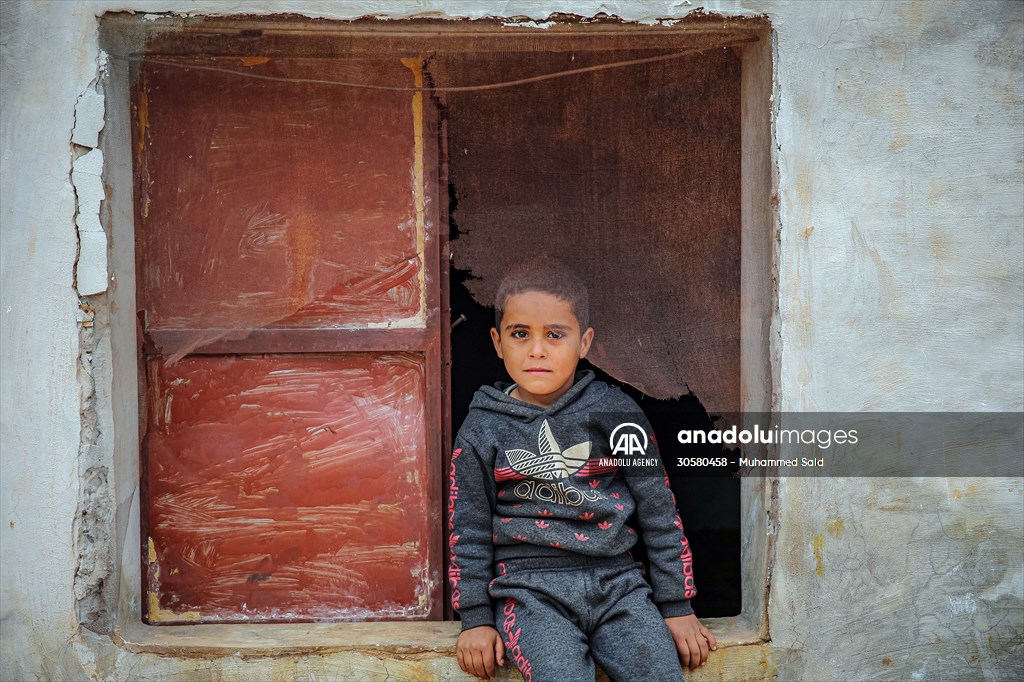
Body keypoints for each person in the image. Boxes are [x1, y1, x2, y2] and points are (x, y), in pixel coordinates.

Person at [449, 258, 717, 681]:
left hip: (620, 586)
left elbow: (658, 511)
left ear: (585, 341)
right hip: (528, 592)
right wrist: (476, 619)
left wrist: (676, 605)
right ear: (498, 343)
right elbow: (469, 528)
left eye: (555, 334)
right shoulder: (482, 428)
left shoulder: (616, 413)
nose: (537, 349)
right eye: (521, 334)